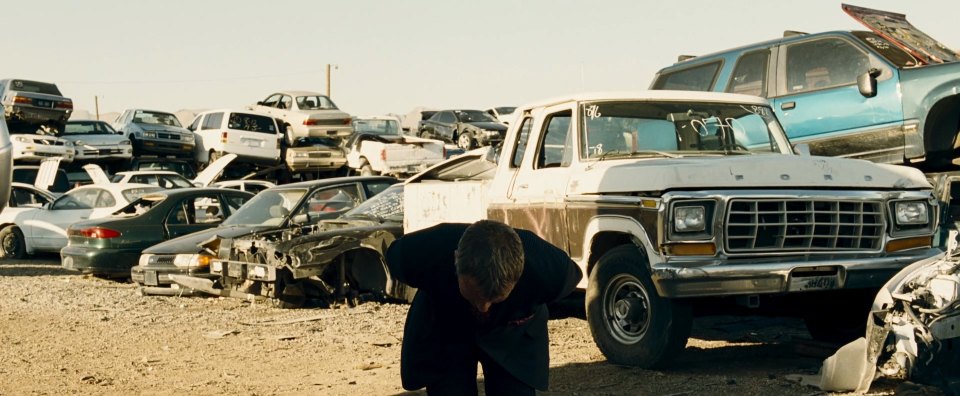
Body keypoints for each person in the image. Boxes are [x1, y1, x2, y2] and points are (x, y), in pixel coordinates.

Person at [386, 220, 582, 395]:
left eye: (495, 299)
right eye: (474, 296)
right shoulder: (419, 254)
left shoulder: (551, 272)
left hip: (511, 335)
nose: (483, 308)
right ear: (455, 261)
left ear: (520, 276)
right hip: (446, 327)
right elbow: (392, 257)